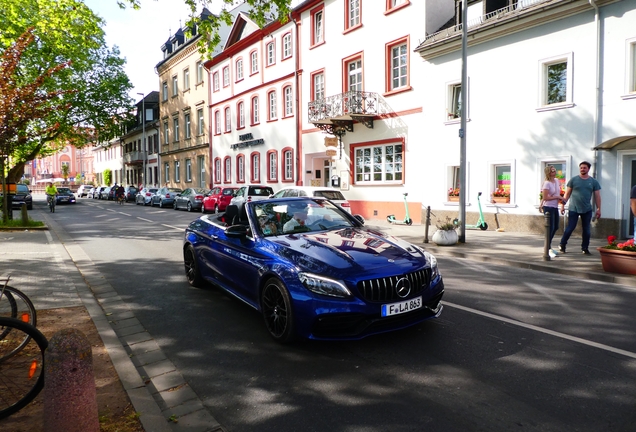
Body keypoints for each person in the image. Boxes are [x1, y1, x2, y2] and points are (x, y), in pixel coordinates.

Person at [558, 161, 601, 255]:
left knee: (586, 230)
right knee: (570, 227)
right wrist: (562, 205)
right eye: (581, 167)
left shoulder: (593, 181)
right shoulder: (574, 180)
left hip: (587, 209)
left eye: (584, 168)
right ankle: (562, 244)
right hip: (574, 208)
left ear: (588, 169)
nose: (582, 169)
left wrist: (598, 209)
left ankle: (585, 248)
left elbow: (597, 196)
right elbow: (567, 194)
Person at [540, 165, 563, 258]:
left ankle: (548, 246)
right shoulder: (546, 183)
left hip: (555, 207)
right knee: (550, 227)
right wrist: (557, 197)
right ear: (548, 172)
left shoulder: (557, 181)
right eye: (552, 170)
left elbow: (558, 193)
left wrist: (561, 201)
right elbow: (545, 197)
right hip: (548, 207)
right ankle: (547, 248)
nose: (554, 171)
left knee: (556, 227)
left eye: (554, 170)